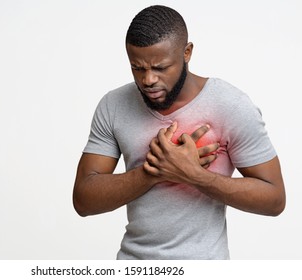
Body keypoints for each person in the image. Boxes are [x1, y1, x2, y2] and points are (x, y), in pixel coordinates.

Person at [72, 5, 285, 260]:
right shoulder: (114, 105)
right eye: (137, 68)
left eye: (160, 67)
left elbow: (275, 199)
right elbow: (83, 199)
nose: (148, 79)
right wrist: (152, 173)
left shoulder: (230, 105)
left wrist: (195, 176)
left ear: (187, 52)